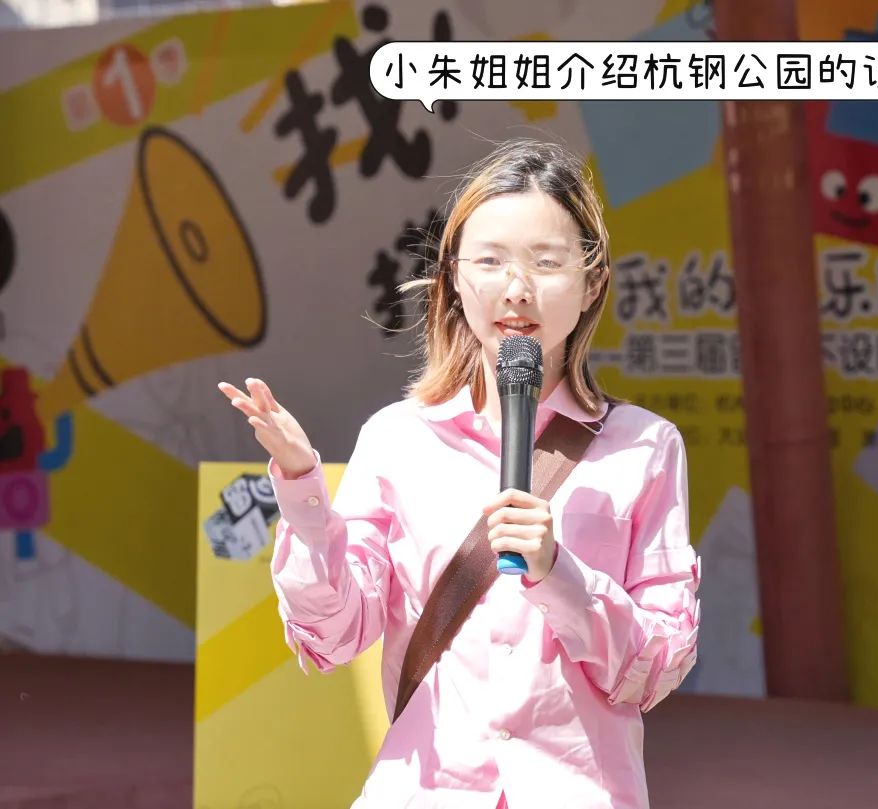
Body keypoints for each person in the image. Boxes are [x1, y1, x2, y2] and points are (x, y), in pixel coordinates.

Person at [218, 139, 702, 809]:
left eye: (546, 261)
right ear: (452, 277)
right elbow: (332, 634)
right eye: (491, 261)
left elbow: (657, 666)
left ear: (592, 281)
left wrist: (558, 572)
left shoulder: (645, 447)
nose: (517, 288)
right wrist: (303, 492)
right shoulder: (398, 438)